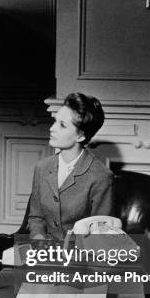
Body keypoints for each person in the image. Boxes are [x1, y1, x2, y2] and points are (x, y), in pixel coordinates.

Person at [27, 92, 113, 240]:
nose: (52, 128)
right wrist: (38, 240)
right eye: (55, 121)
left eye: (62, 125)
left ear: (81, 136)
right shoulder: (42, 167)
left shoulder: (101, 176)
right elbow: (36, 217)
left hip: (82, 256)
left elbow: (100, 233)